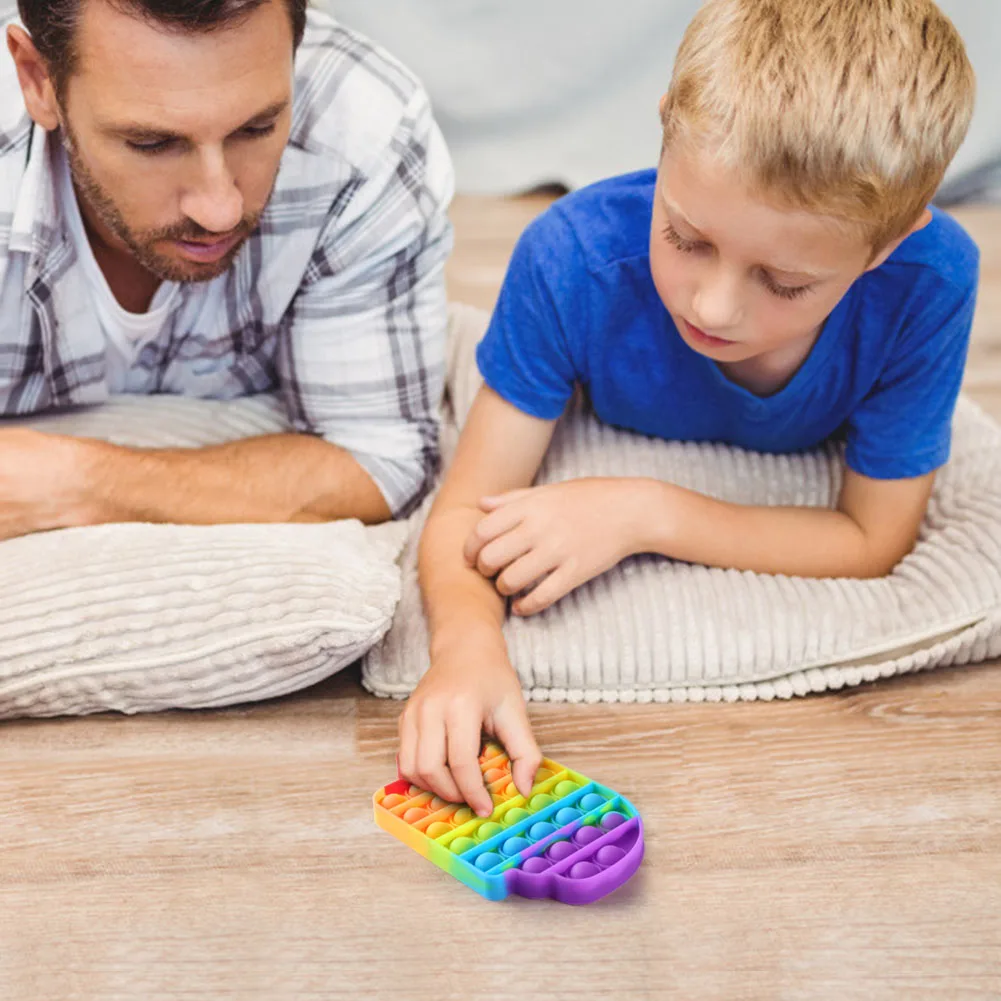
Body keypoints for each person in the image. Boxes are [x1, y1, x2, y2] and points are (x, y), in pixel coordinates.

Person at [398, 0, 979, 816]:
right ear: (666, 125)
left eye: (784, 283)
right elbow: (466, 507)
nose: (712, 306)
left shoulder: (930, 281)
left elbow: (872, 536)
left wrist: (645, 512)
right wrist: (464, 649)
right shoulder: (569, 258)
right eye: (684, 237)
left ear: (888, 243)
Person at [0, 0, 453, 542]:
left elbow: (379, 460)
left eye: (257, 127)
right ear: (38, 79)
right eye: (152, 143)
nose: (220, 211)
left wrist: (85, 483)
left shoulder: (363, 131)